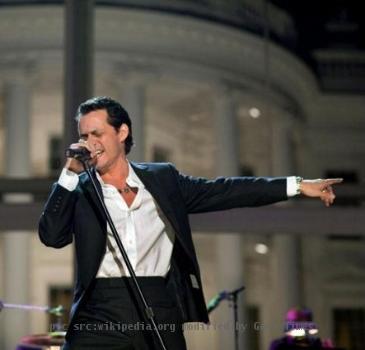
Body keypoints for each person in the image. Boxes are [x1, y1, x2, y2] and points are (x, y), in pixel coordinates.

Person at [39, 96, 342, 350]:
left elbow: (226, 190)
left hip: (157, 304)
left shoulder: (162, 179)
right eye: (83, 136)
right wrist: (69, 172)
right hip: (99, 310)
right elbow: (52, 235)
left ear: (121, 132)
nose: (89, 143)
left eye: (97, 134)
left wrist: (298, 185)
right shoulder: (79, 189)